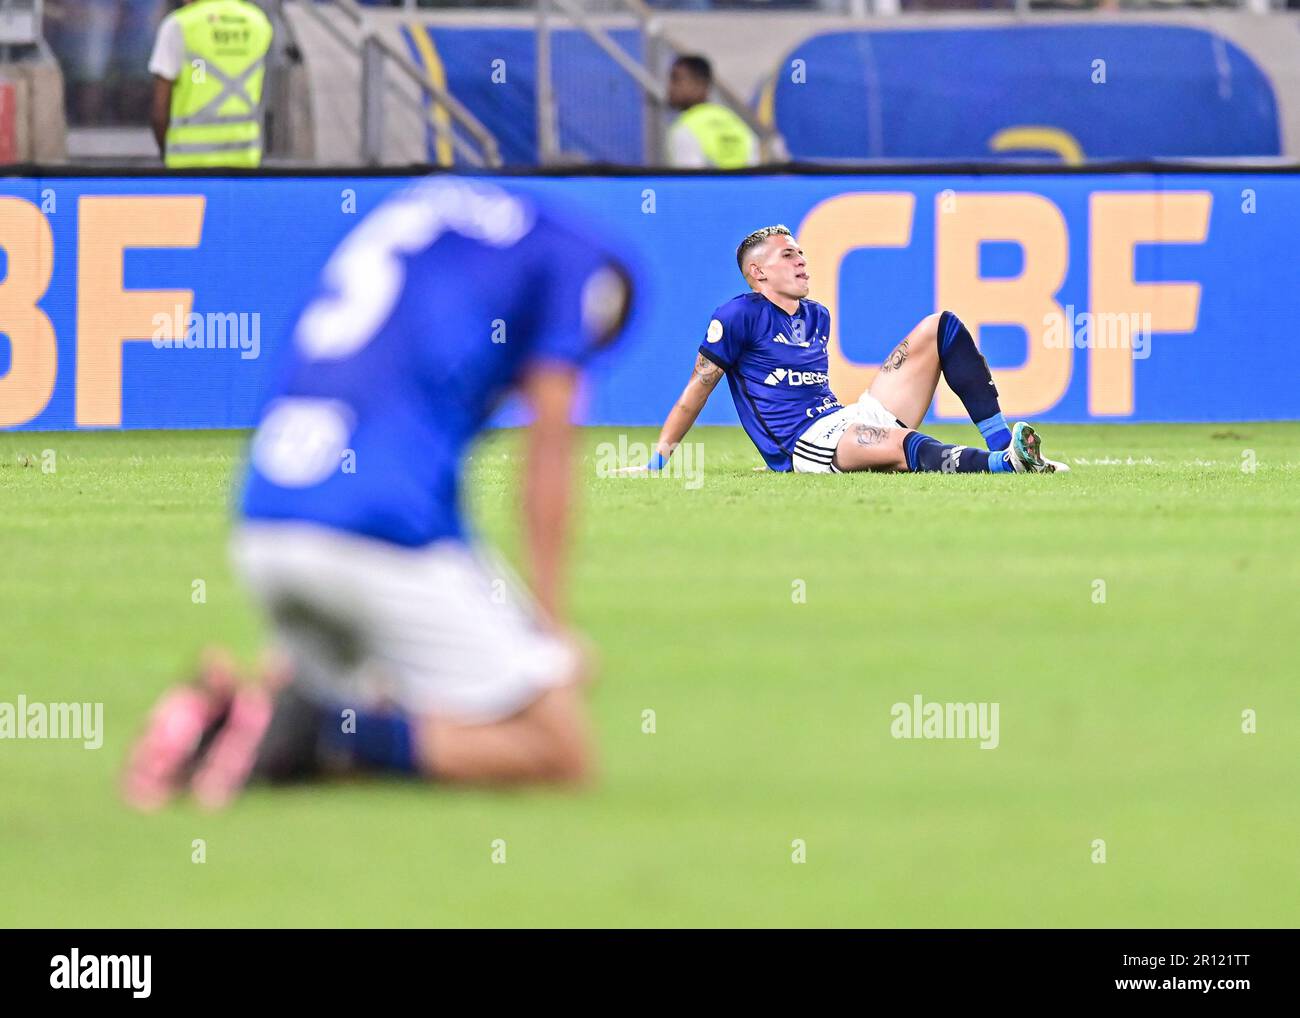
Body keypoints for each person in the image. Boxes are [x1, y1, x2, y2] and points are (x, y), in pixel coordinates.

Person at [122, 178, 635, 810]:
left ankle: (231, 719)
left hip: (265, 525)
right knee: (557, 747)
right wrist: (550, 631)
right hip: (377, 535)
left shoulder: (430, 218)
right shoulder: (578, 266)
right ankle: (328, 737)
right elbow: (549, 448)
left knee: (360, 675)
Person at [629, 224, 1069, 477]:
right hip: (808, 443)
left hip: (845, 416)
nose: (801, 259)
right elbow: (698, 388)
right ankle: (1003, 466)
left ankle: (1007, 444)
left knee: (940, 327)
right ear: (758, 273)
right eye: (788, 255)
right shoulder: (737, 316)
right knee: (903, 445)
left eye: (801, 251)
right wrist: (658, 460)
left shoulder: (817, 314)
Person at [147, 0, 273, 168]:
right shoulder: (258, 22)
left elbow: (160, 109)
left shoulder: (180, 24)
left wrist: (166, 152)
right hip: (245, 159)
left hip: (188, 162)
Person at [666, 54, 759, 170]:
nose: (670, 88)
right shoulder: (736, 122)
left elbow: (691, 183)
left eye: (676, 80)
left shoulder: (685, 129)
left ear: (700, 83)